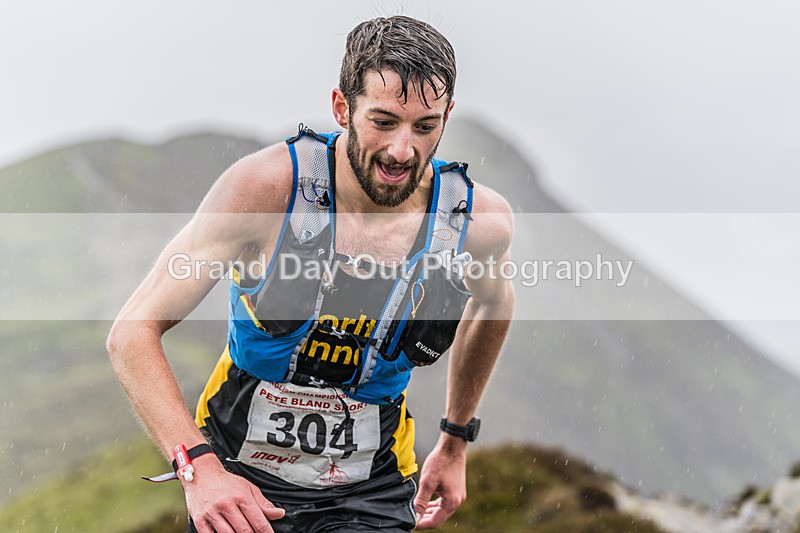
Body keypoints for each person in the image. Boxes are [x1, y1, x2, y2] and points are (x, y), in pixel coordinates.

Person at [107, 15, 514, 533]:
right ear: (342, 108)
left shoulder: (476, 223)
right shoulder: (265, 192)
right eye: (383, 121)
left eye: (425, 126)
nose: (402, 151)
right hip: (242, 480)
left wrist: (455, 441)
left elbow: (495, 302)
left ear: (447, 117)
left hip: (375, 487)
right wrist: (198, 470)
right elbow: (132, 332)